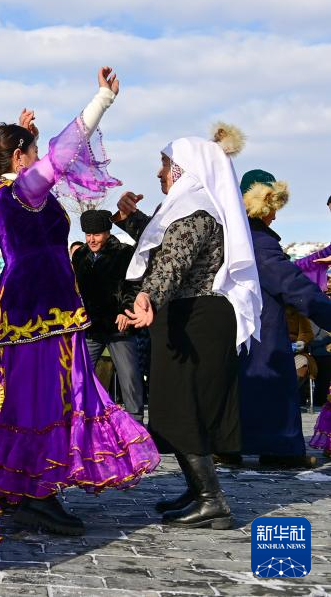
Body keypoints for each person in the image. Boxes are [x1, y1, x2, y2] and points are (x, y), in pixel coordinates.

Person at [0, 67, 158, 536]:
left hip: (32, 306)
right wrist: (102, 99)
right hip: (39, 309)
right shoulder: (21, 188)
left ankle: (20, 487)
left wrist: (21, 136)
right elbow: (63, 151)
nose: (41, 161)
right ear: (19, 158)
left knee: (29, 398)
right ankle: (36, 493)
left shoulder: (4, 190)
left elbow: (36, 162)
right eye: (30, 153)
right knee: (41, 399)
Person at [119, 123, 261, 530]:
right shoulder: (194, 210)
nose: (159, 173)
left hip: (196, 319)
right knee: (179, 407)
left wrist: (149, 296)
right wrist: (130, 218)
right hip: (193, 318)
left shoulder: (194, 213)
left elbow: (172, 263)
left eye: (165, 165)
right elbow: (166, 245)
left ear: (183, 169)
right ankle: (197, 490)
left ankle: (211, 499)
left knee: (182, 407)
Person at [235, 170, 331, 468]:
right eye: (273, 208)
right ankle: (280, 450)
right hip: (261, 329)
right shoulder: (258, 241)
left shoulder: (235, 236)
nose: (275, 216)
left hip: (239, 329)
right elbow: (293, 285)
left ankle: (230, 445)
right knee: (273, 383)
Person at [71, 209, 143, 422]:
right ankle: (79, 419)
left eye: (97, 234)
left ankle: (137, 424)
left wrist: (126, 311)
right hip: (91, 326)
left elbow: (134, 285)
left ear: (107, 232)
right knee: (78, 375)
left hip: (119, 326)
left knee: (129, 378)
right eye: (88, 235)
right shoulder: (80, 255)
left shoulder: (124, 252)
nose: (92, 240)